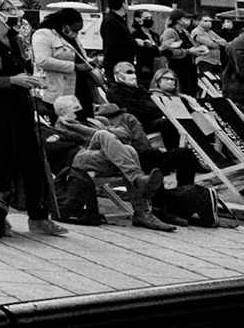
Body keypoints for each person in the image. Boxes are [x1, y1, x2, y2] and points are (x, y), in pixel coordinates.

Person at [0, 3, 65, 236]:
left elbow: (21, 70)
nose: (15, 13)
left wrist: (29, 80)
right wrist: (12, 81)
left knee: (33, 161)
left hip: (21, 107)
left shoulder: (16, 39)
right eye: (8, 9)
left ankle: (39, 216)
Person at [46, 96, 175, 231]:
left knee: (129, 149)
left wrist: (107, 133)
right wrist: (108, 133)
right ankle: (141, 204)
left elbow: (126, 133)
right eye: (76, 108)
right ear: (64, 113)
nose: (81, 110)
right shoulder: (62, 126)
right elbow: (87, 139)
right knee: (103, 135)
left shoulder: (92, 121)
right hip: (78, 160)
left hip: (102, 156)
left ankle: (141, 205)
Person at [99, 0, 136, 78]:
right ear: (123, 4)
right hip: (116, 64)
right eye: (127, 3)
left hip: (121, 62)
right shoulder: (111, 21)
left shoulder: (117, 19)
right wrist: (133, 42)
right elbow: (113, 44)